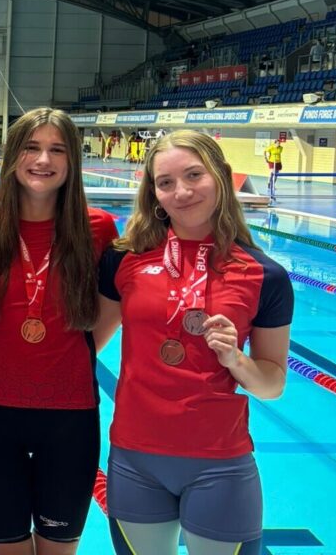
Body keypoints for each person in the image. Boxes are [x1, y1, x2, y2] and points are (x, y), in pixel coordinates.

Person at [93, 130, 293, 555]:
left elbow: (273, 385)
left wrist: (236, 360)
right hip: (133, 461)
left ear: (221, 175)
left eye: (194, 175)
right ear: (154, 194)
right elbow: (85, 346)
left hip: (220, 465)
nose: (181, 192)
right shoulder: (123, 259)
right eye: (165, 183)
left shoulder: (265, 275)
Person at [0, 108, 118, 555]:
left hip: (69, 415)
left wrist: (67, 356)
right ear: (13, 156)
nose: (42, 159)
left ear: (73, 162)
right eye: (31, 147)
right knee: (5, 547)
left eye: (56, 149)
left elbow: (108, 315)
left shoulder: (98, 228)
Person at [263, 137, 284, 204]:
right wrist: (266, 158)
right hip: (272, 161)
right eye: (278, 143)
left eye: (279, 143)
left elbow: (279, 153)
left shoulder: (281, 148)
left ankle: (273, 184)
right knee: (272, 173)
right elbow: (265, 151)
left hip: (278, 162)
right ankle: (269, 183)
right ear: (275, 143)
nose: (279, 144)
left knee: (276, 174)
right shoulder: (271, 147)